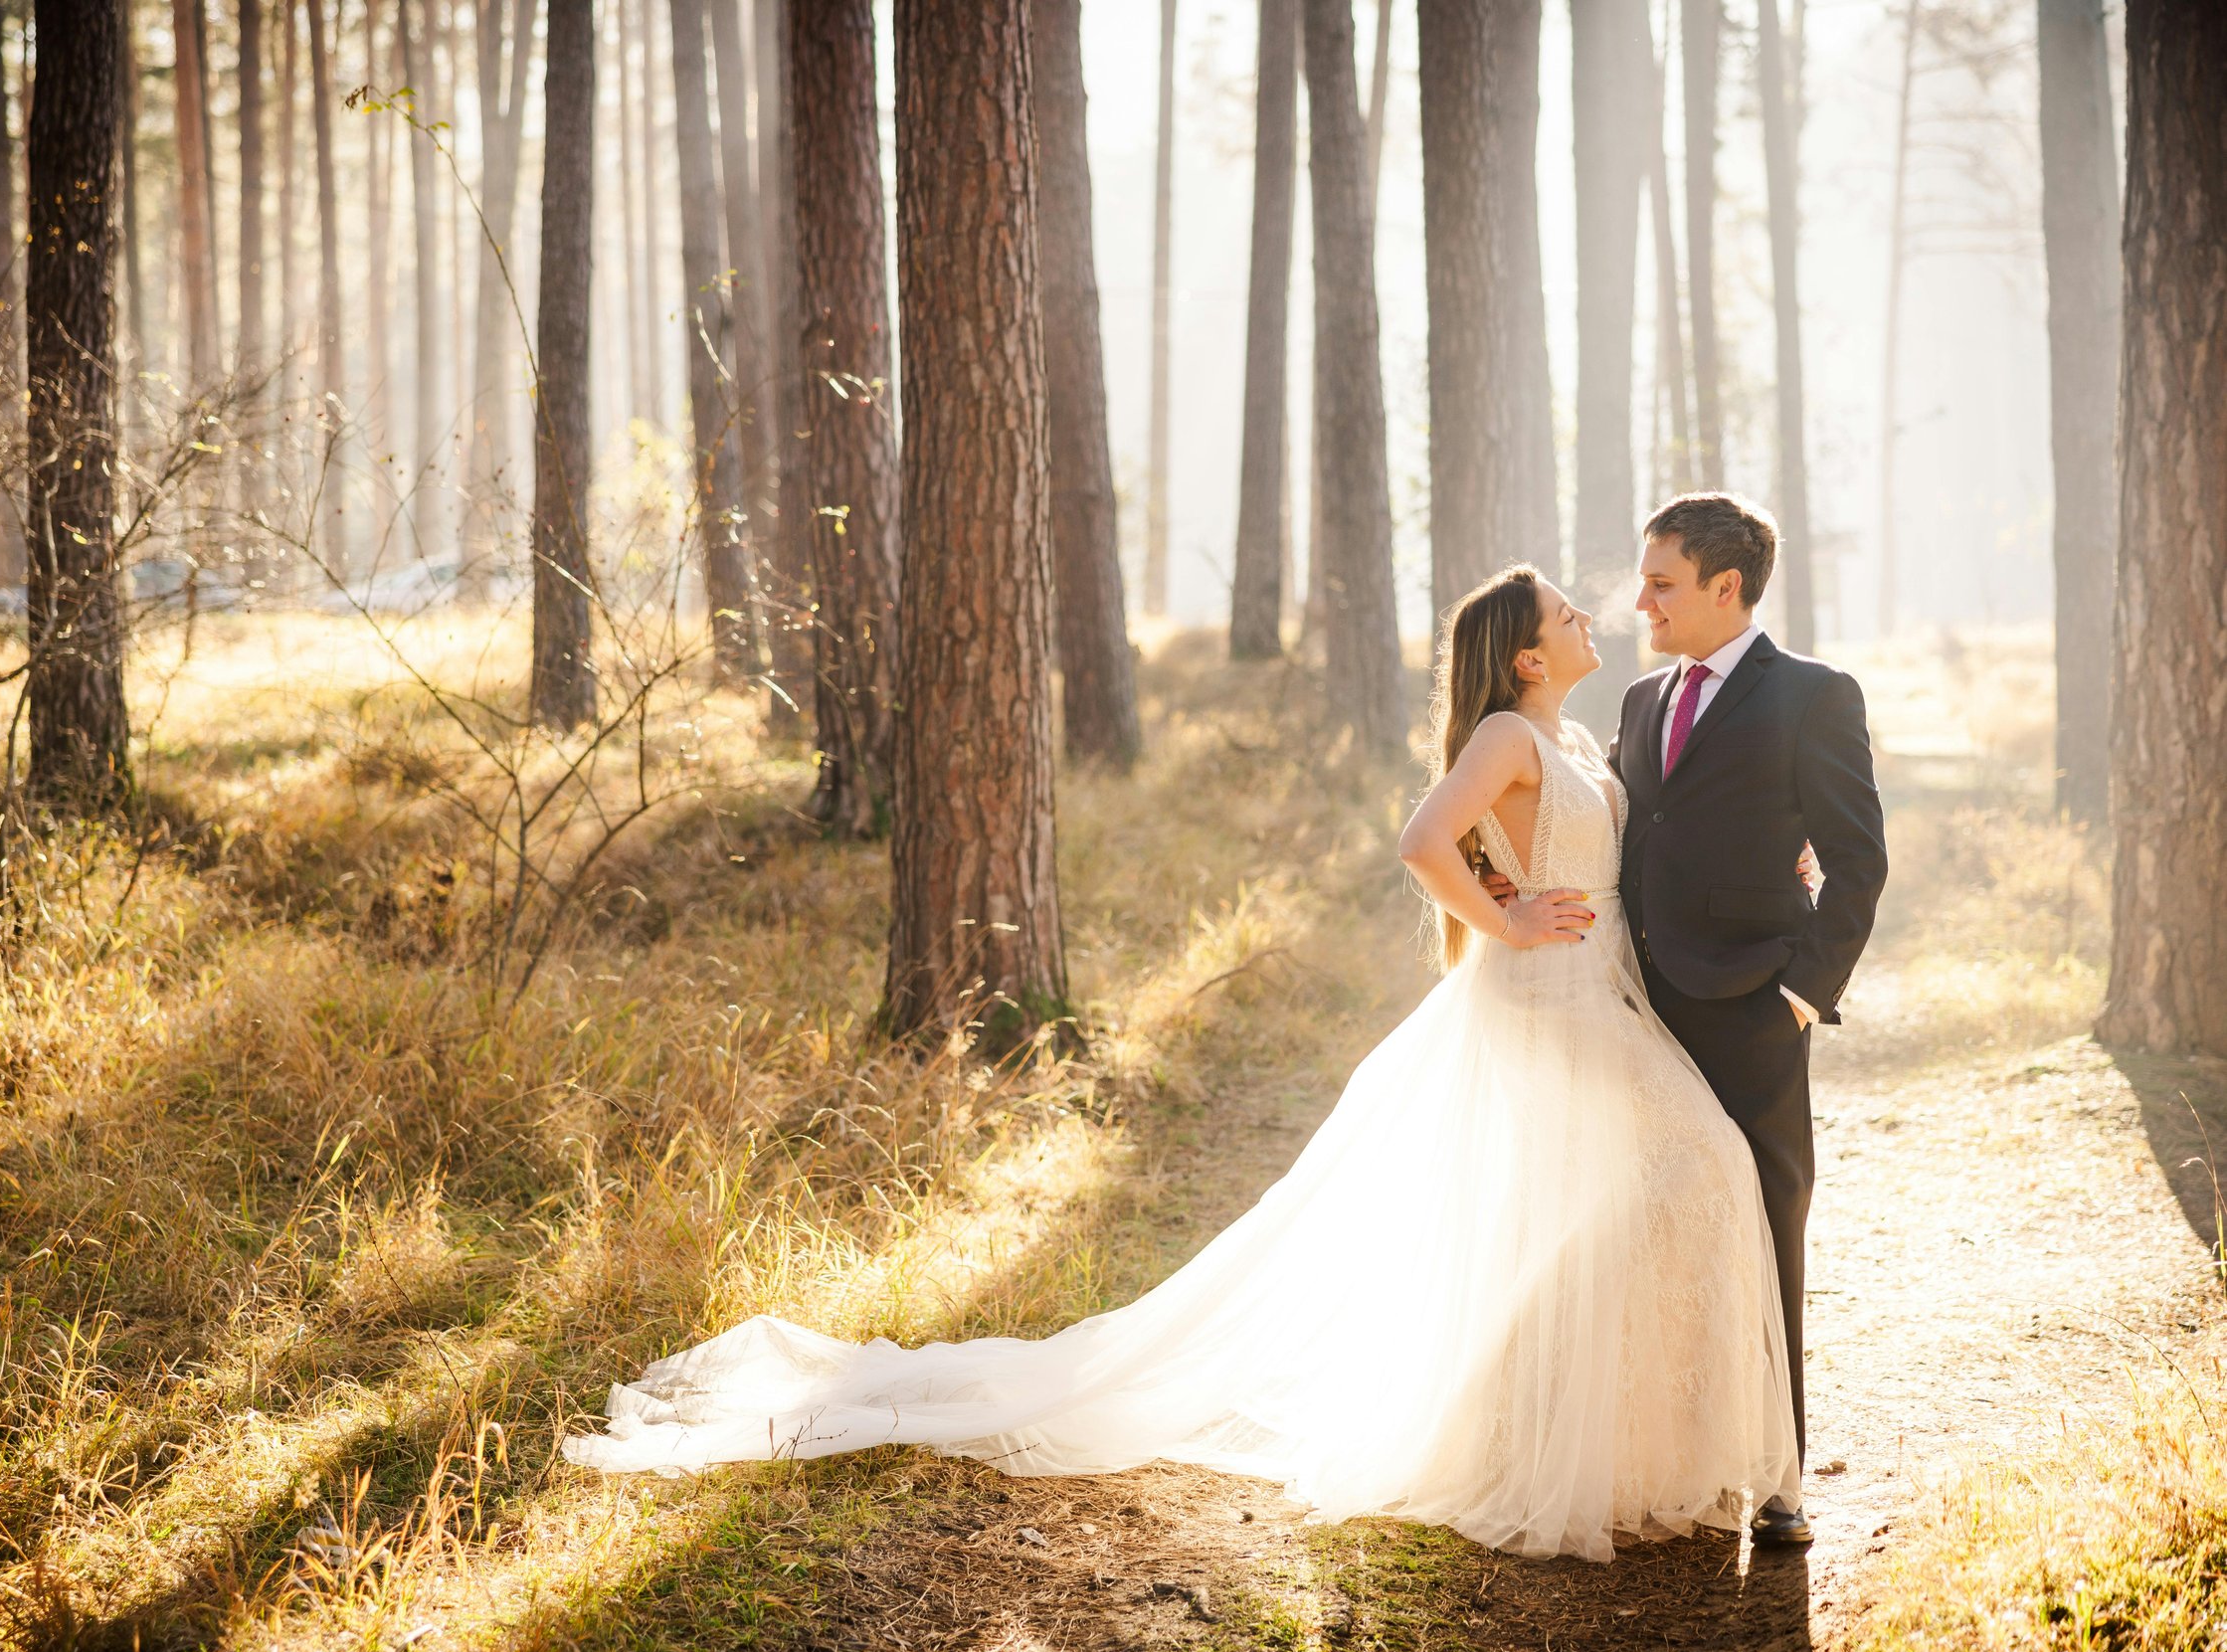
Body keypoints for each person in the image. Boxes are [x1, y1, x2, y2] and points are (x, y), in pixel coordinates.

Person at [559, 546, 1831, 1564]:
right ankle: (1570, 1448)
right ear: (1523, 647)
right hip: (1546, 1004)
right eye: (1569, 606)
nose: (1596, 610)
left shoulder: (1572, 738)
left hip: (1597, 996)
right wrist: (1500, 916)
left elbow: (1620, 841)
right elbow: (1419, 837)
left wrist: (1777, 861)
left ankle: (1607, 1442)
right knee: (1703, 1165)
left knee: (1630, 1202)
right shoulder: (1506, 732)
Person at [1498, 491, 1887, 1548]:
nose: (1641, 601)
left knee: (1765, 1228)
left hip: (1753, 1008)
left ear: (1726, 586)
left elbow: (1858, 861)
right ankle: (1664, 1452)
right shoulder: (1635, 696)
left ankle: (1778, 1478)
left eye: (1661, 583)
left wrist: (1801, 993)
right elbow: (1614, 838)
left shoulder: (1813, 694)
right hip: (1632, 1008)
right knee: (1649, 1231)